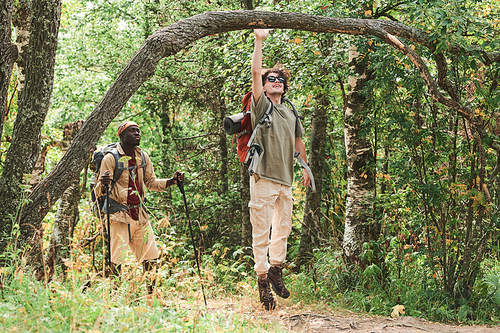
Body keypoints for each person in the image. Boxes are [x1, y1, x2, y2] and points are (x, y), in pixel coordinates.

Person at [249, 29, 311, 310]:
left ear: (285, 87)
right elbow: (255, 73)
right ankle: (263, 283)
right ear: (265, 86)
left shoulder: (290, 110)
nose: (275, 82)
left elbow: (298, 140)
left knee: (283, 230)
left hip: (285, 179)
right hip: (263, 177)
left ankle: (276, 269)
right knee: (261, 232)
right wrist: (259, 41)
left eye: (280, 80)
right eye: (270, 80)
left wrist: (305, 166)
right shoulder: (261, 106)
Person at [96, 121, 184, 294]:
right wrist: (103, 184)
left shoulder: (143, 157)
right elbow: (99, 190)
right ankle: (114, 298)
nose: (137, 133)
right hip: (117, 215)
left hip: (139, 214)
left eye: (138, 131)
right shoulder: (110, 158)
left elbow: (150, 182)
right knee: (117, 259)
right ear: (121, 136)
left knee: (151, 257)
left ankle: (151, 297)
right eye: (132, 131)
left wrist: (172, 181)